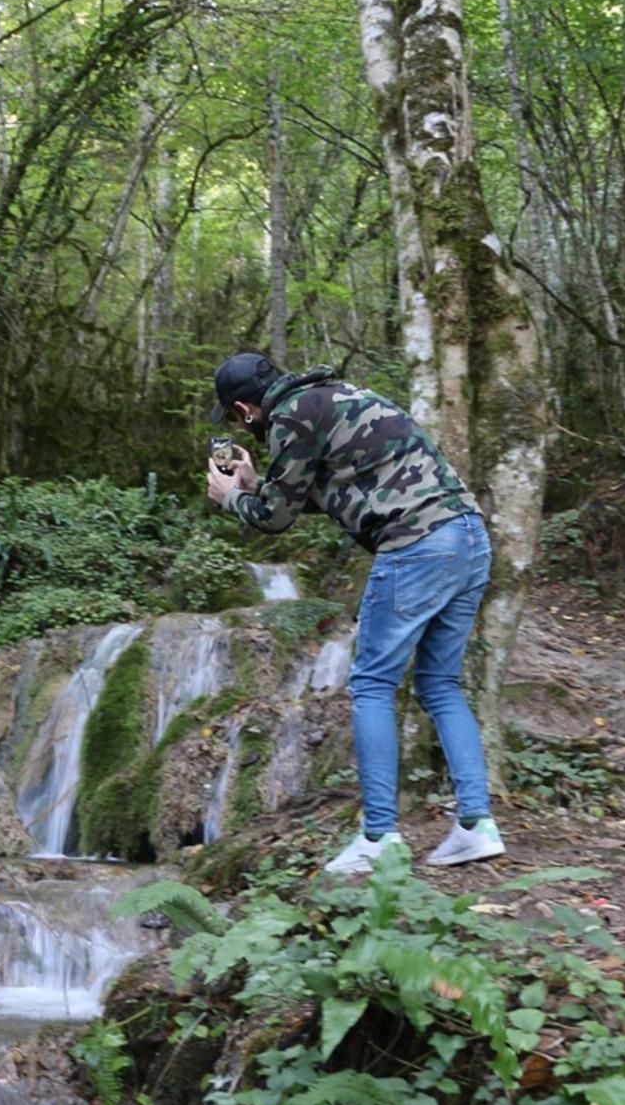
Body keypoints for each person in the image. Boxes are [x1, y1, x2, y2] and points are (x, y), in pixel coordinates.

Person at [205, 351, 505, 875]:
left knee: (370, 685)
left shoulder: (292, 417)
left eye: (234, 418)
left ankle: (379, 836)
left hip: (417, 544)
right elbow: (337, 487)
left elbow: (274, 519)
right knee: (439, 685)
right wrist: (255, 484)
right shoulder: (333, 396)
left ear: (244, 409)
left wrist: (230, 498)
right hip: (469, 538)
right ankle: (476, 826)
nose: (238, 425)